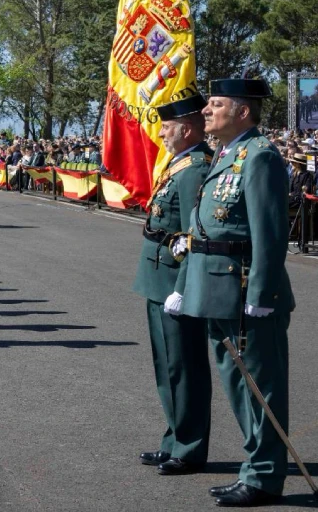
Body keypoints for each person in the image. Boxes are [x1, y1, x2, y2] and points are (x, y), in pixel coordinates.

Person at [171, 78, 295, 507]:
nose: (205, 110)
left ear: (243, 112)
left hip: (245, 291)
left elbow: (270, 233)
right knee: (238, 386)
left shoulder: (259, 156)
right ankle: (255, 468)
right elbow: (202, 231)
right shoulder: (227, 153)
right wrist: (186, 285)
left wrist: (261, 293)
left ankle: (262, 476)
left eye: (216, 104)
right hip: (216, 290)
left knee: (260, 385)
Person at [131, 94, 214, 476]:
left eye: (167, 126)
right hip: (157, 275)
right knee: (167, 366)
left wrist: (183, 287)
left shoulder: (196, 167)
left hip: (174, 279)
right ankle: (174, 439)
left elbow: (193, 235)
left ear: (187, 128)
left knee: (185, 366)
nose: (162, 132)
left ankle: (191, 446)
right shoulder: (180, 163)